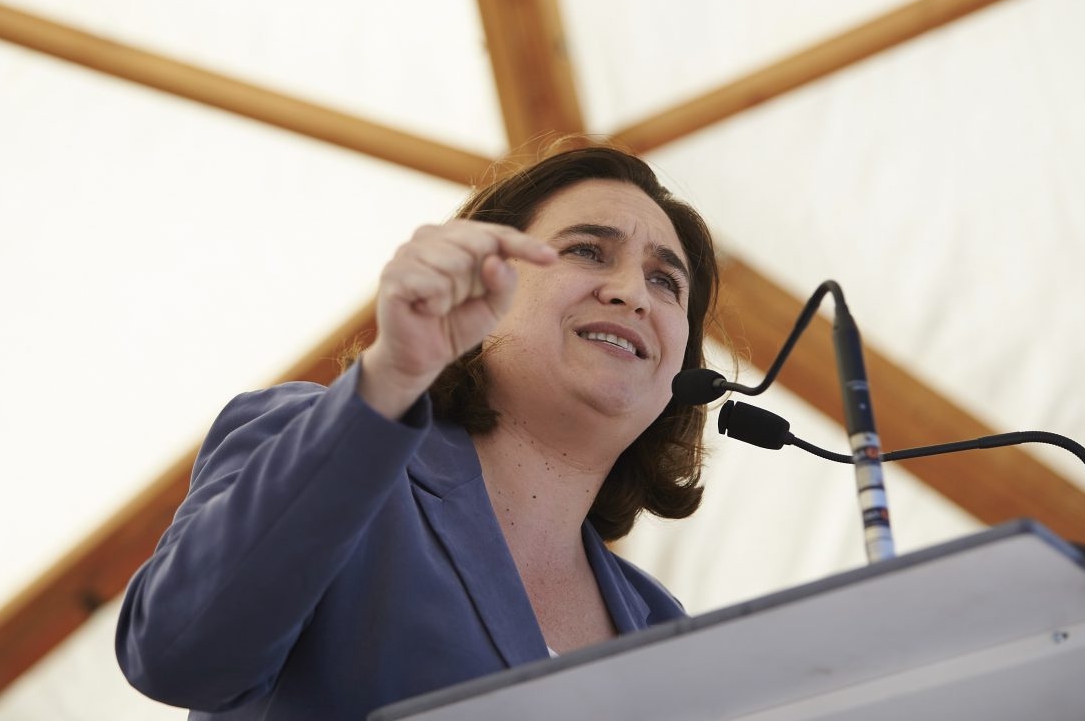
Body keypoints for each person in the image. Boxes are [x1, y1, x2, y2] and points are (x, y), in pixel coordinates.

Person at [115, 143, 721, 720]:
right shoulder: (320, 444)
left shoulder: (661, 625)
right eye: (588, 250)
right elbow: (176, 654)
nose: (632, 293)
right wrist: (392, 376)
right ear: (476, 282)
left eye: (667, 282)